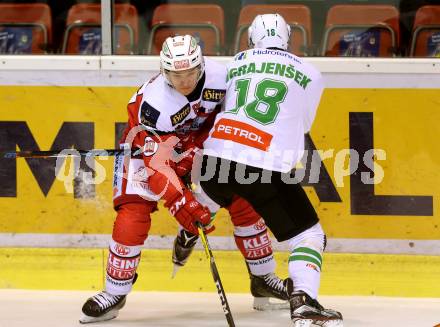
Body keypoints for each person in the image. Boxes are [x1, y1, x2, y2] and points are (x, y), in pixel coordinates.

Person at [79, 34, 290, 324]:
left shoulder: (223, 76)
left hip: (200, 146)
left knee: (244, 193)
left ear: (201, 65)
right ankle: (115, 292)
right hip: (147, 151)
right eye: (176, 75)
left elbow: (237, 118)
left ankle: (263, 278)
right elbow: (158, 166)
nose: (185, 80)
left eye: (190, 72)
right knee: (133, 212)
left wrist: (203, 145)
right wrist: (182, 203)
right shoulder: (155, 103)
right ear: (164, 72)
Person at [198, 14, 343, 326]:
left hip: (213, 160)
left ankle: (194, 222)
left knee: (218, 193)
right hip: (262, 163)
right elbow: (302, 125)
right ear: (289, 37)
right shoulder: (310, 73)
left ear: (250, 38)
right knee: (309, 235)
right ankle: (304, 301)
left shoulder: (233, 64)